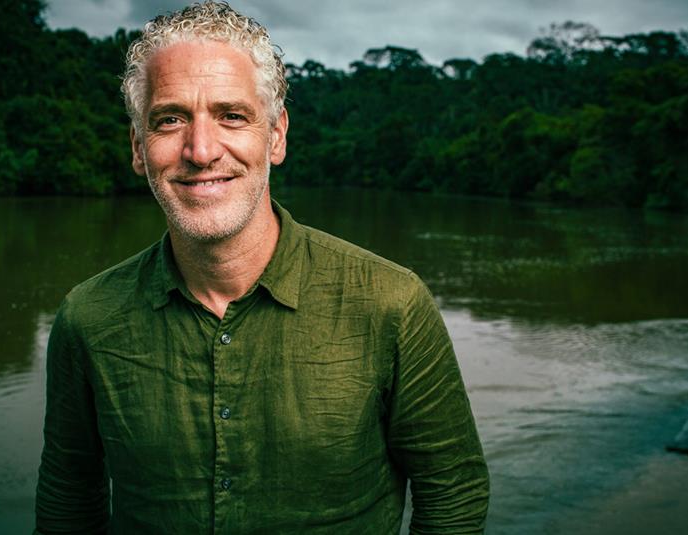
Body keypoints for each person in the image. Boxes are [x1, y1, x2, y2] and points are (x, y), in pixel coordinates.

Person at [34, 2, 489, 533]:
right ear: (139, 147)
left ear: (275, 136)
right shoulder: (86, 319)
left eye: (231, 115)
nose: (201, 151)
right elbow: (68, 505)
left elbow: (453, 497)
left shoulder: (392, 303)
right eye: (170, 119)